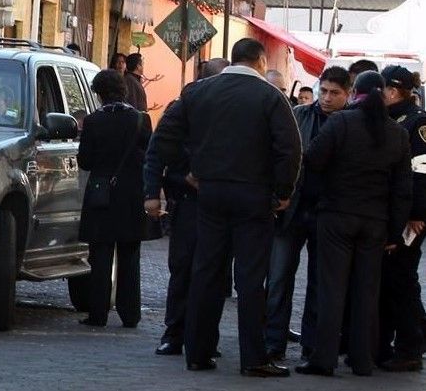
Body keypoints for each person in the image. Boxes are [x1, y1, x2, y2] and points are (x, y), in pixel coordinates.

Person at [149, 38, 301, 377]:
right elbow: (289, 149)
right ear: (261, 61)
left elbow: (163, 140)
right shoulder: (271, 97)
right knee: (250, 278)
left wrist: (188, 172)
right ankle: (253, 357)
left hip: (210, 192)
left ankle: (198, 353)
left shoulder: (198, 92)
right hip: (253, 195)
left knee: (206, 271)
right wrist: (283, 191)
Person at [296, 71, 413, 377]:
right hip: (375, 222)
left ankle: (324, 358)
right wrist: (394, 232)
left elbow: (314, 160)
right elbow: (403, 188)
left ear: (355, 92)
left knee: (332, 289)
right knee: (367, 292)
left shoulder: (340, 123)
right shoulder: (397, 133)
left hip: (336, 216)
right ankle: (362, 359)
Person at [264, 67, 351, 362]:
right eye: (324, 91)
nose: (326, 98)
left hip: (328, 212)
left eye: (334, 93)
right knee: (279, 278)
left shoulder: (350, 123)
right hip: (293, 208)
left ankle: (312, 344)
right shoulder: (300, 115)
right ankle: (273, 340)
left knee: (319, 281)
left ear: (347, 94)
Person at [145, 57, 228, 356]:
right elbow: (157, 152)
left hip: (218, 200)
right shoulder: (183, 108)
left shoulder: (229, 110)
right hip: (187, 200)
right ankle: (175, 332)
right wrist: (154, 192)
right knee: (183, 269)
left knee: (215, 273)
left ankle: (205, 337)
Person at [77, 69, 152, 328]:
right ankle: (130, 313)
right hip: (132, 195)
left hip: (102, 195)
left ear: (99, 93)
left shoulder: (94, 121)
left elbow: (85, 162)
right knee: (130, 256)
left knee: (100, 256)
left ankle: (98, 313)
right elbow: (148, 158)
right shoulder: (141, 120)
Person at [377, 65, 426, 372]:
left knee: (401, 280)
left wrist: (417, 215)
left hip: (409, 220)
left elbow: (422, 171)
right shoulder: (394, 120)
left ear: (393, 92)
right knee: (396, 279)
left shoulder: (417, 124)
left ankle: (409, 347)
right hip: (395, 215)